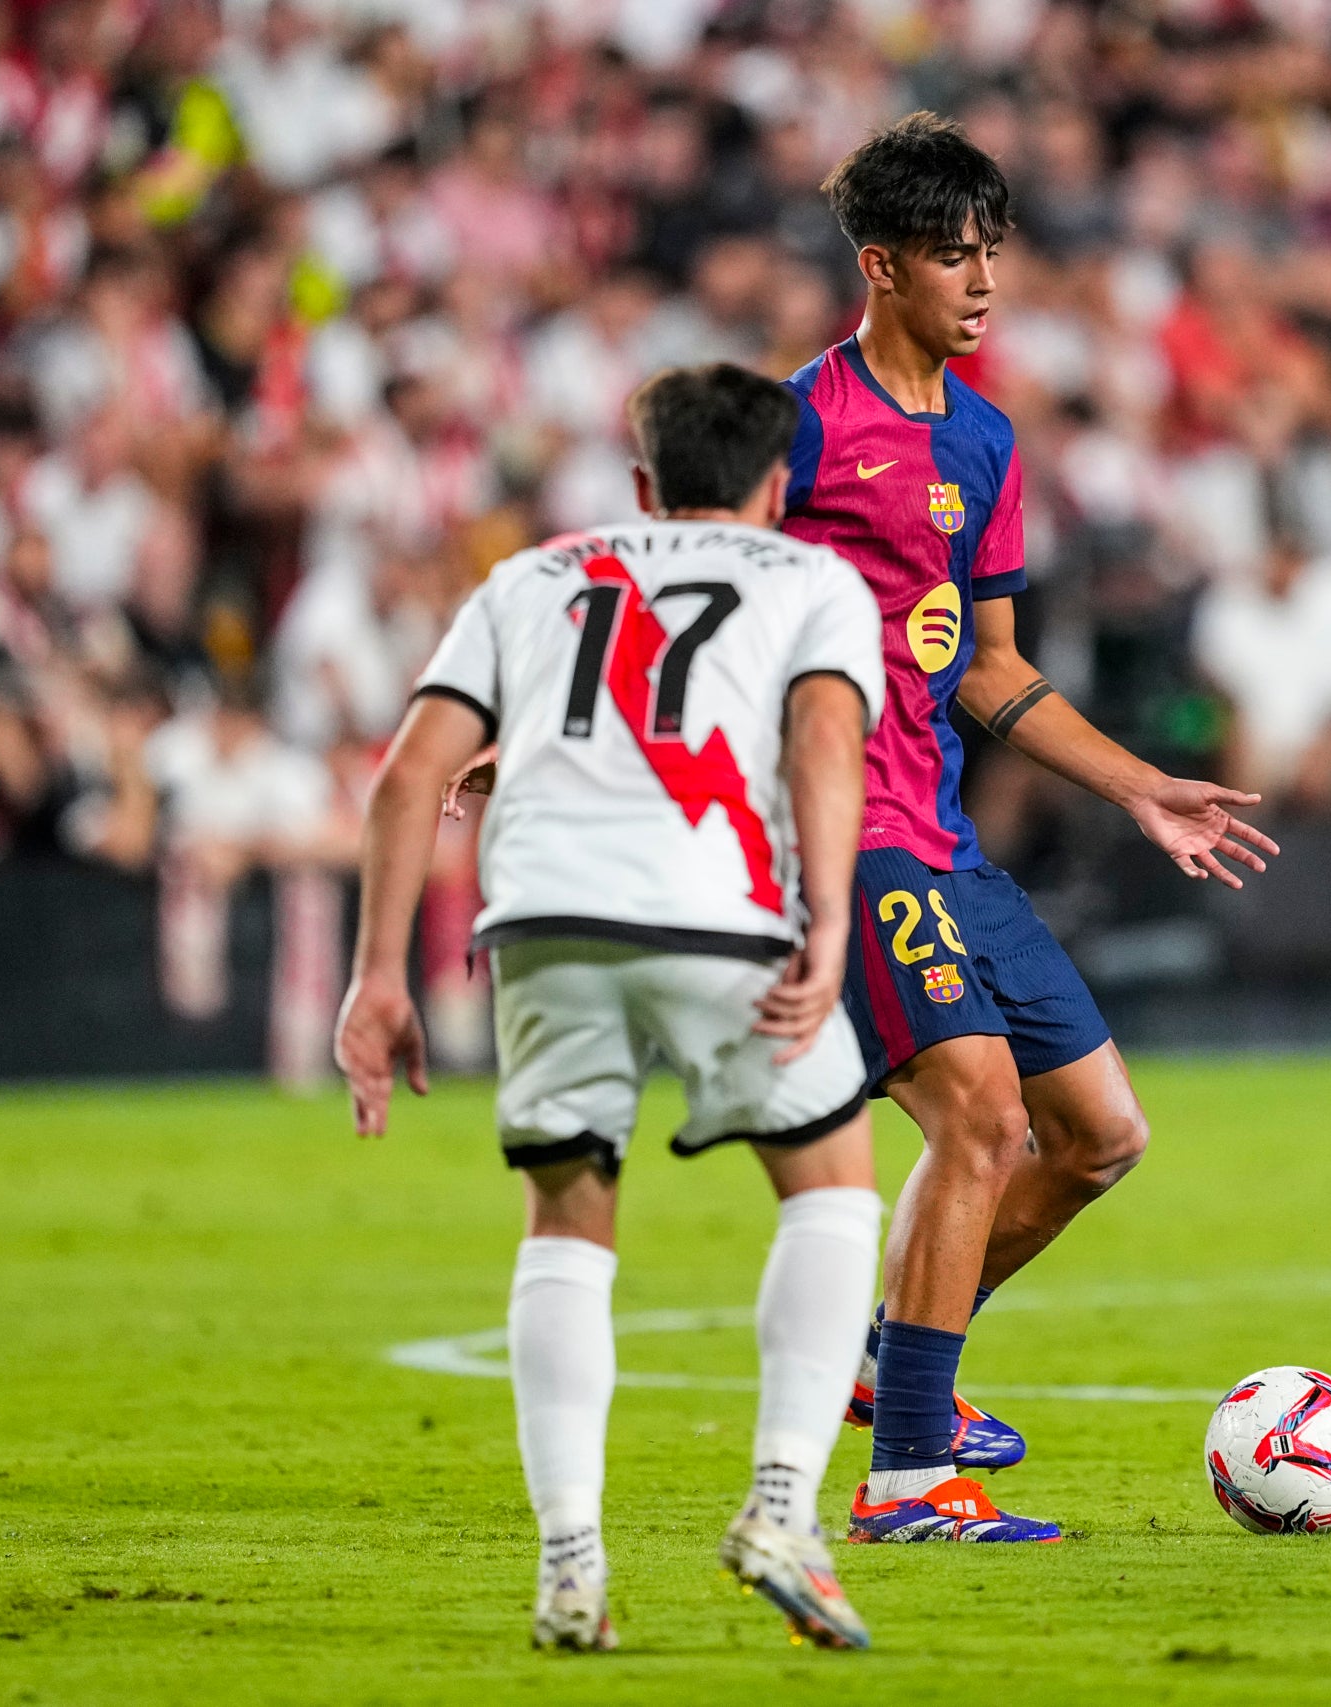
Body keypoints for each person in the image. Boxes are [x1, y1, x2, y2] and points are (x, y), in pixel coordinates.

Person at [333, 364, 888, 1652]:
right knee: (832, 1189)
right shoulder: (814, 580)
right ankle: (781, 1510)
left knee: (567, 1226)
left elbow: (409, 776)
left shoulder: (529, 578)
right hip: (721, 917)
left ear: (644, 482)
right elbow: (822, 742)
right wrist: (827, 922)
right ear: (778, 484)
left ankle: (570, 1569)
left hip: (540, 924)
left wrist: (378, 976)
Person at [781, 113, 1279, 1543]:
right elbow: (686, 590)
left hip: (940, 836)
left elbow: (990, 670)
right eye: (954, 256)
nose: (985, 281)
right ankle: (906, 1477)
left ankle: (887, 1362)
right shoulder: (799, 427)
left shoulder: (984, 441)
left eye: (991, 252)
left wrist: (1138, 784)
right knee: (979, 1114)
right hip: (839, 833)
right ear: (881, 266)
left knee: (1099, 1135)